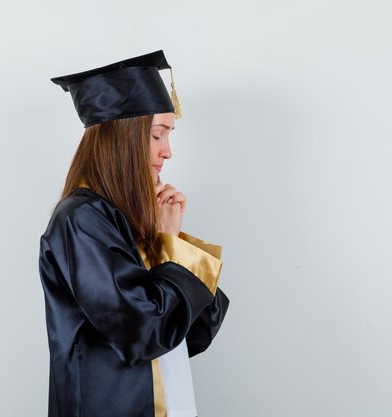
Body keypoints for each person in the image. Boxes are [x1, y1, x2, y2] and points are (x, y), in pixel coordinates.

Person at [39, 50, 230, 417]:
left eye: (169, 135)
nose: (168, 151)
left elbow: (196, 331)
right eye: (158, 134)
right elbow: (143, 333)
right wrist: (171, 251)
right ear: (121, 139)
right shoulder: (81, 220)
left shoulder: (131, 219)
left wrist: (166, 240)